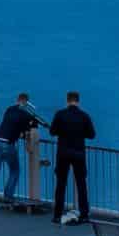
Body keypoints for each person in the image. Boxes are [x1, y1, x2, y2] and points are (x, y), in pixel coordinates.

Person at [47, 91, 95, 225]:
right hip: (78, 153)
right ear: (78, 101)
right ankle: (84, 214)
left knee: (61, 184)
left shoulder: (60, 114)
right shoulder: (84, 116)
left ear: (67, 101)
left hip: (63, 153)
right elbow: (92, 135)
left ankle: (57, 215)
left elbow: (52, 132)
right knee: (81, 184)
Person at [0, 93, 41, 210]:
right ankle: (8, 196)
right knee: (15, 170)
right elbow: (27, 131)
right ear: (26, 102)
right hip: (8, 144)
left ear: (17, 100)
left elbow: (11, 123)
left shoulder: (9, 109)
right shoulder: (25, 114)